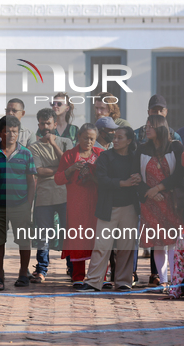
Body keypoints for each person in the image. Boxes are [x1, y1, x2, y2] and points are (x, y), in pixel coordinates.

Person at [78, 126, 141, 292]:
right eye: (115, 137)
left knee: (126, 247)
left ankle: (123, 281)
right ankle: (93, 282)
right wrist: (123, 183)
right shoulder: (105, 156)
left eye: (120, 138)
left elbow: (141, 177)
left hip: (130, 208)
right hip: (108, 207)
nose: (115, 140)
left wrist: (138, 178)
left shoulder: (135, 158)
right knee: (101, 245)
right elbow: (102, 179)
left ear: (129, 140)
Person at [135, 115, 184, 291]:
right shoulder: (141, 149)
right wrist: (149, 192)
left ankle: (176, 279)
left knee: (172, 242)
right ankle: (163, 280)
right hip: (150, 203)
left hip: (171, 201)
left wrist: (159, 188)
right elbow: (136, 176)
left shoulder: (175, 147)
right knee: (157, 243)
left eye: (151, 126)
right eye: (146, 125)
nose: (147, 129)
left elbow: (179, 174)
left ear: (161, 128)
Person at [0, 115, 36, 289]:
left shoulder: (26, 154)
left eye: (15, 131)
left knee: (24, 240)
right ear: (0, 133)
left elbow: (32, 182)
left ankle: (23, 273)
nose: (12, 135)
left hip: (20, 205)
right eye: (8, 131)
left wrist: (28, 204)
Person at [55, 123, 103, 287]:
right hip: (77, 204)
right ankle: (77, 276)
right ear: (79, 137)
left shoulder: (100, 154)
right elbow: (58, 178)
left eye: (92, 139)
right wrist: (71, 169)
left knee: (98, 239)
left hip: (97, 203)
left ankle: (99, 276)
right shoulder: (69, 156)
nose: (89, 142)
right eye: (85, 138)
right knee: (78, 238)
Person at [29, 108, 73, 282]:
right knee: (43, 235)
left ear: (55, 124)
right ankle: (41, 269)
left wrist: (53, 143)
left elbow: (69, 163)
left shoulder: (65, 142)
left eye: (48, 123)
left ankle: (72, 268)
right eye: (42, 123)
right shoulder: (34, 147)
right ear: (38, 125)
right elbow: (39, 171)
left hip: (65, 195)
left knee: (68, 234)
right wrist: (63, 170)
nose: (45, 126)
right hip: (44, 197)